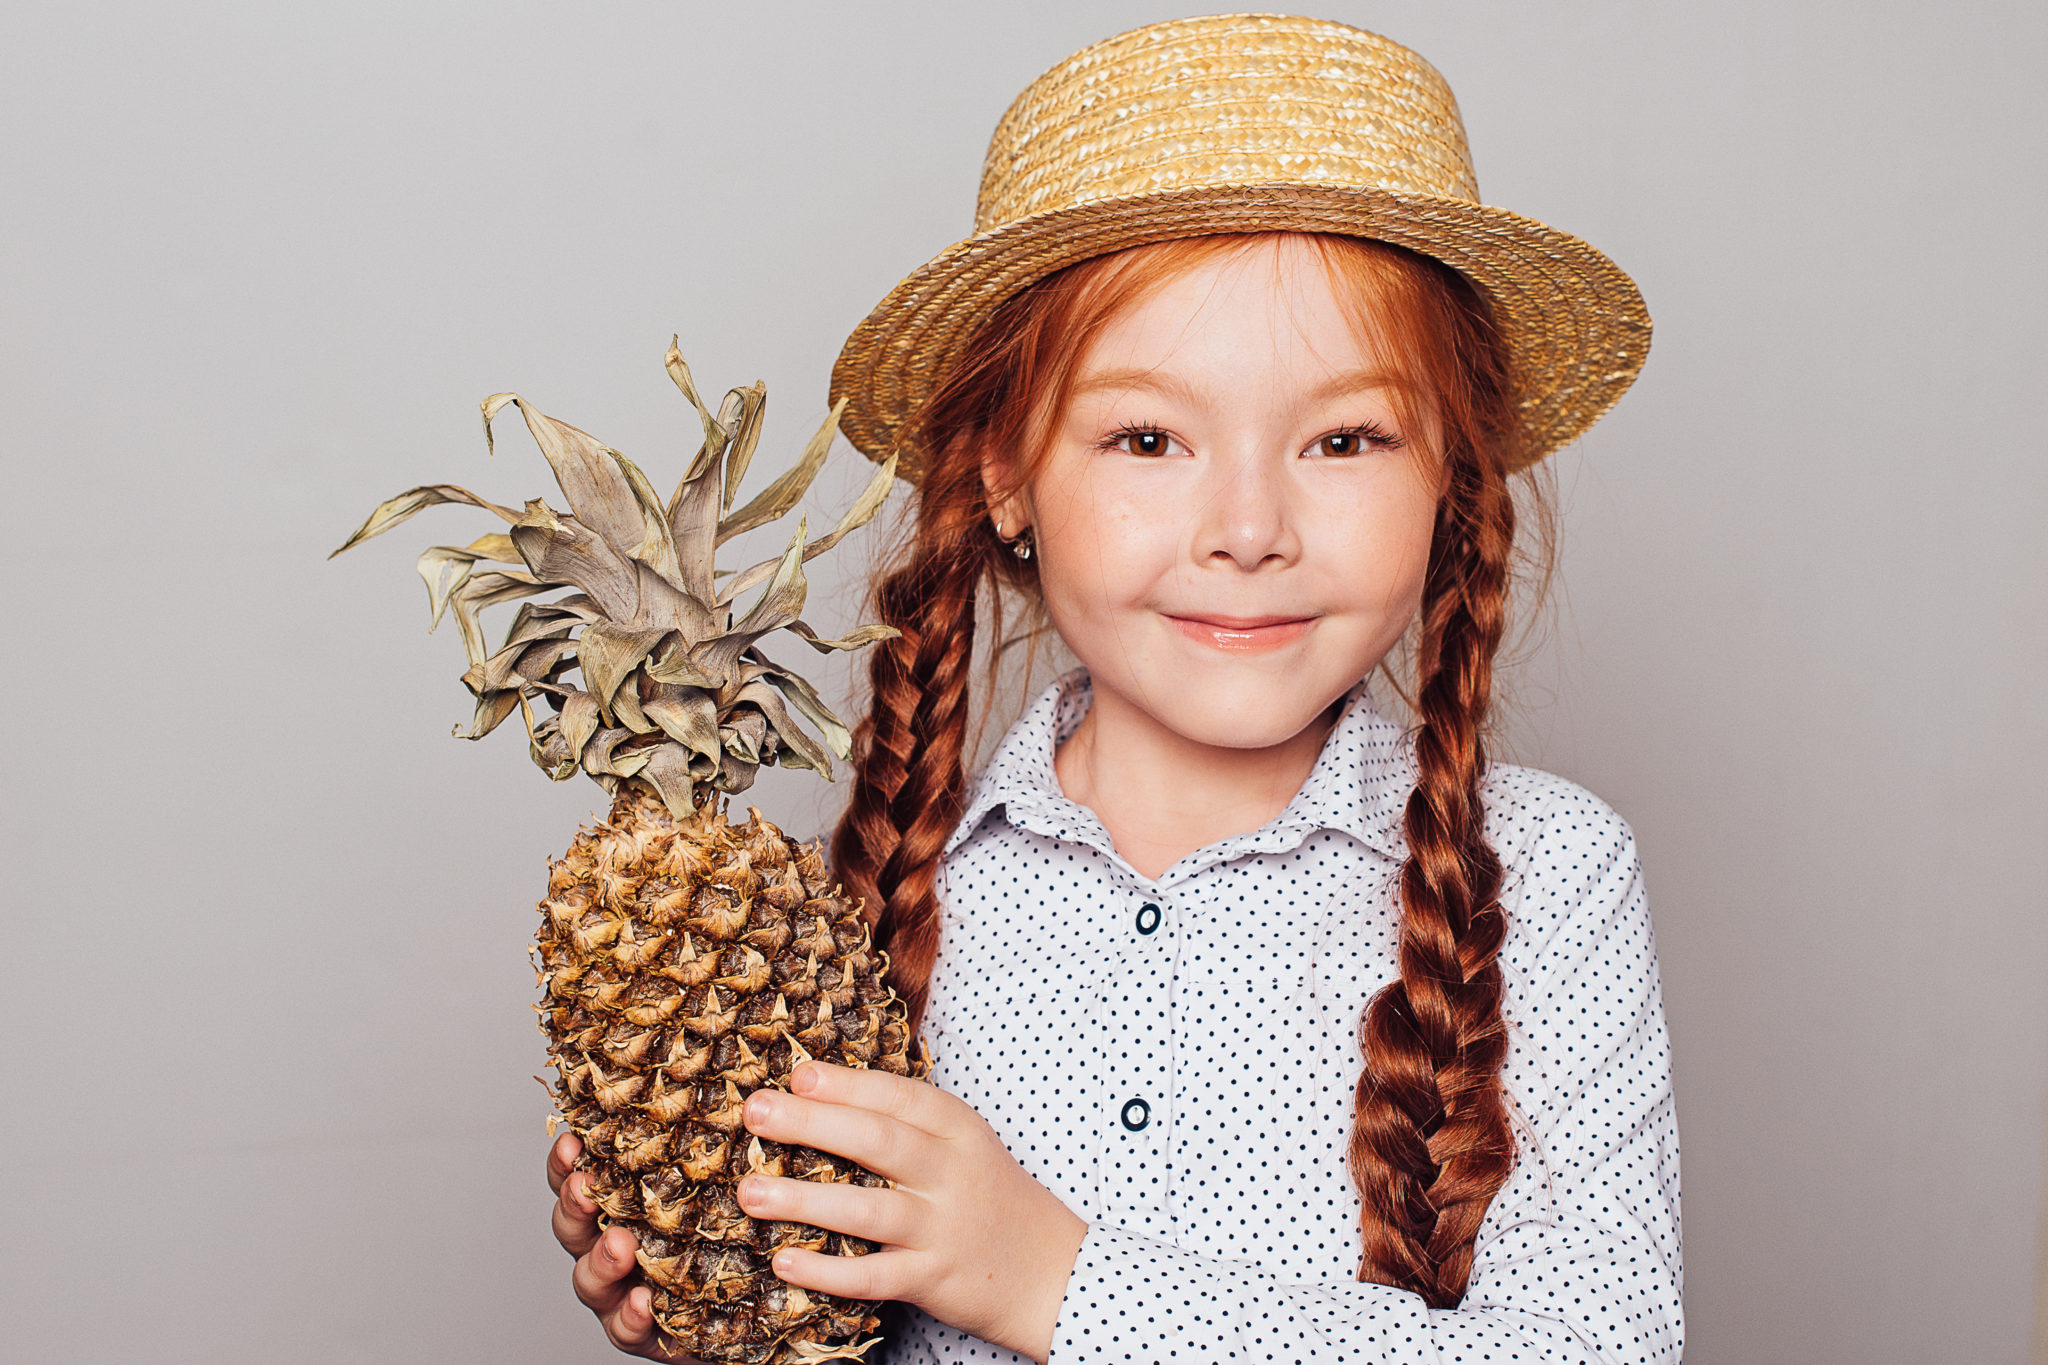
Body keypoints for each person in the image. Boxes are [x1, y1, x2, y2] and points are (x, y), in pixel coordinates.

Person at [546, 13, 1680, 1363]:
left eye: (1346, 436)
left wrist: (1049, 1276)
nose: (1247, 526)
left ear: (1451, 480)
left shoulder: (1548, 874)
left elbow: (1601, 1348)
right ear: (1007, 479)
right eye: (1148, 437)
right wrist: (722, 1290)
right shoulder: (865, 915)